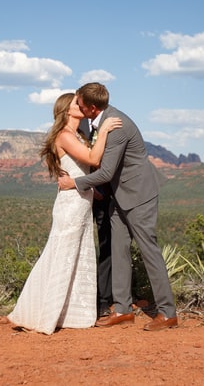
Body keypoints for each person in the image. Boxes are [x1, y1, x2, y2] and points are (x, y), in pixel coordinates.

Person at [58, 83, 178, 331]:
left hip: (138, 196)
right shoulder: (99, 121)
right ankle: (122, 309)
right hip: (119, 198)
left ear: (91, 108)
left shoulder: (116, 126)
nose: (77, 107)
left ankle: (167, 313)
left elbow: (106, 172)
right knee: (119, 249)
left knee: (149, 252)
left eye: (79, 103)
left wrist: (74, 183)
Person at [7, 92, 121, 334]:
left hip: (81, 202)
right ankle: (39, 313)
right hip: (70, 206)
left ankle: (68, 314)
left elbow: (87, 168)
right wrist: (105, 130)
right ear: (67, 110)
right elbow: (93, 157)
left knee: (77, 256)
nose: (80, 105)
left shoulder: (78, 135)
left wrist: (92, 191)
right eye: (75, 103)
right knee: (61, 255)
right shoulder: (65, 136)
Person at [78, 118, 113, 318]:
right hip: (79, 194)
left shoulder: (103, 126)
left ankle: (103, 299)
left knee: (105, 246)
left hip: (103, 196)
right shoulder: (76, 130)